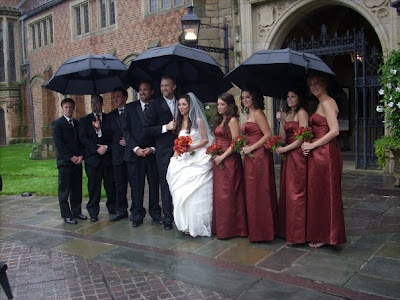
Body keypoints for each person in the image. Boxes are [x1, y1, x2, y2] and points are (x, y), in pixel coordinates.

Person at [301, 73, 346, 248]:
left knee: (326, 193)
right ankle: (322, 232)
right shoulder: (320, 103)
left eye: (317, 83)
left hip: (326, 153)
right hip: (319, 153)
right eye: (311, 84)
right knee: (319, 193)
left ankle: (328, 235)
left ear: (325, 83)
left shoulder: (327, 103)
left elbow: (334, 131)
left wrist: (313, 146)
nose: (314, 87)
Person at [166, 93, 213, 237]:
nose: (181, 107)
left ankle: (197, 225)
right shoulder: (179, 122)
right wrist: (175, 155)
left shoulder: (198, 120)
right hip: (183, 160)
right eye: (179, 105)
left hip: (196, 159)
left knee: (194, 195)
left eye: (184, 104)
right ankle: (185, 224)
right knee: (181, 193)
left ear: (190, 105)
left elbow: (205, 140)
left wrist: (191, 148)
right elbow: (178, 143)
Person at [241, 88, 278, 242]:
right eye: (243, 98)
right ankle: (256, 229)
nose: (244, 100)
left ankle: (263, 231)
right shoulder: (250, 113)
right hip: (250, 156)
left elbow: (268, 134)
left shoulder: (258, 113)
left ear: (254, 98)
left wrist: (251, 147)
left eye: (247, 97)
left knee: (259, 191)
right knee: (251, 192)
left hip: (259, 156)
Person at [124, 81, 162, 227]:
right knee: (136, 185)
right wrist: (135, 148)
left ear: (151, 91)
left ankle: (155, 212)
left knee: (154, 184)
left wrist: (152, 148)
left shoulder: (157, 107)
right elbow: (126, 131)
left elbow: (159, 130)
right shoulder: (130, 108)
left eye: (145, 90)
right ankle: (137, 213)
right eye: (140, 90)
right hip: (136, 154)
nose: (142, 92)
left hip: (152, 153)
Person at [211, 93, 248, 239]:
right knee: (220, 196)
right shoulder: (221, 120)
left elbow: (236, 143)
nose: (219, 107)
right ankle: (222, 227)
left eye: (222, 104)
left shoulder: (233, 120)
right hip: (219, 160)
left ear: (229, 106)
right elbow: (217, 138)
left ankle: (233, 229)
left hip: (229, 161)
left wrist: (222, 156)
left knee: (229, 195)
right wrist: (213, 150)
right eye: (218, 104)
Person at [275, 88, 309, 244]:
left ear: (299, 98)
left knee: (296, 192)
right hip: (287, 156)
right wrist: (282, 122)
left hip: (297, 155)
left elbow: (302, 138)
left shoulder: (302, 113)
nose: (289, 99)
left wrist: (285, 149)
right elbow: (283, 137)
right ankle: (287, 230)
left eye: (293, 96)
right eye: (288, 96)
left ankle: (298, 234)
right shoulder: (287, 114)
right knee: (287, 192)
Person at [144, 75, 177, 230]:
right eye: (162, 86)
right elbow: (147, 129)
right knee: (165, 184)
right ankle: (168, 218)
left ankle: (181, 215)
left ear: (174, 87)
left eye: (167, 85)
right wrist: (165, 127)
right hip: (163, 152)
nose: (164, 88)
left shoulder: (181, 101)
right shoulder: (155, 104)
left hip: (181, 150)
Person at [79, 94, 116, 222]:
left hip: (107, 159)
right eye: (92, 103)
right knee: (94, 187)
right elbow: (83, 138)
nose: (94, 105)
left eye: (97, 103)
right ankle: (93, 211)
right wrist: (96, 147)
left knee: (110, 186)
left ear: (102, 104)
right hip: (92, 160)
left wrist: (105, 146)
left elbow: (113, 137)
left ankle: (113, 208)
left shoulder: (109, 119)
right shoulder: (84, 120)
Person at [51, 98, 86, 224]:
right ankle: (66, 215)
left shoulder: (77, 124)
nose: (69, 109)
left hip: (77, 162)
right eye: (66, 107)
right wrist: (71, 157)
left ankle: (76, 212)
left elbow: (82, 141)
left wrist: (81, 156)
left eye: (71, 107)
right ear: (62, 108)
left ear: (73, 108)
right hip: (65, 162)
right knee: (64, 190)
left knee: (77, 189)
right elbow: (59, 144)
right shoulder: (57, 124)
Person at [108, 87, 129, 222]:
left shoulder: (133, 111)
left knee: (135, 185)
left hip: (131, 154)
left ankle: (137, 211)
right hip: (117, 156)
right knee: (119, 185)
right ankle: (122, 210)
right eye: (114, 97)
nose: (115, 99)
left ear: (125, 97)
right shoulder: (110, 116)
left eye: (118, 97)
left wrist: (130, 141)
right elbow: (108, 136)